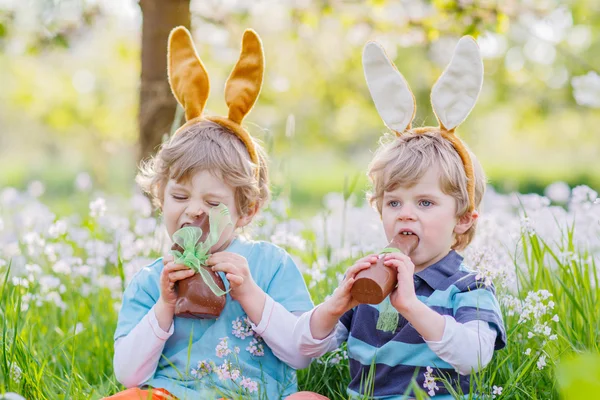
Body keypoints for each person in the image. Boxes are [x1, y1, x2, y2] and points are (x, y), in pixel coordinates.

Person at [105, 26, 314, 400]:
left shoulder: (271, 266)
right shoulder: (153, 281)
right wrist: (164, 307)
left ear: (247, 210)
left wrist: (249, 293)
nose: (195, 210)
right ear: (160, 197)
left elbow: (301, 354)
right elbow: (127, 372)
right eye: (180, 196)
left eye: (214, 203)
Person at [292, 36, 506, 399]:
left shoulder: (468, 286)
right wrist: (336, 305)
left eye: (425, 203)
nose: (406, 213)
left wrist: (411, 305)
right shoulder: (372, 281)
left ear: (464, 220)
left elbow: (475, 356)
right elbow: (305, 351)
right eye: (393, 203)